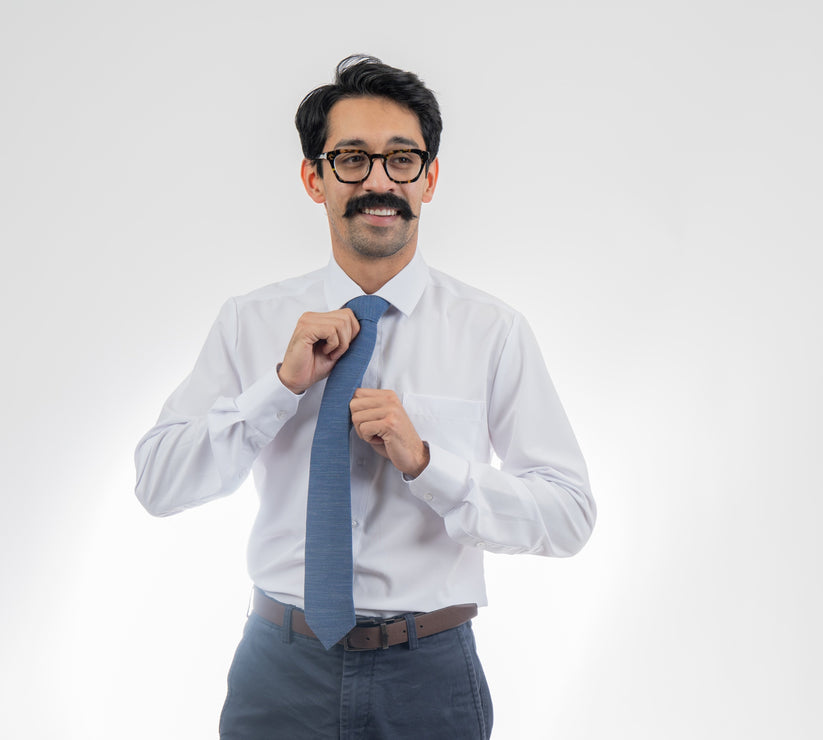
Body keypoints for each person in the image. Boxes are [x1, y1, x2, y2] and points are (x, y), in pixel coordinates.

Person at [134, 54, 596, 740]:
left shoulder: (491, 331)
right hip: (277, 673)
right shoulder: (249, 322)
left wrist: (428, 464)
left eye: (402, 159)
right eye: (351, 158)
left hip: (430, 677)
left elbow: (570, 515)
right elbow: (159, 482)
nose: (378, 181)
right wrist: (279, 388)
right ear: (313, 178)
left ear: (429, 179)